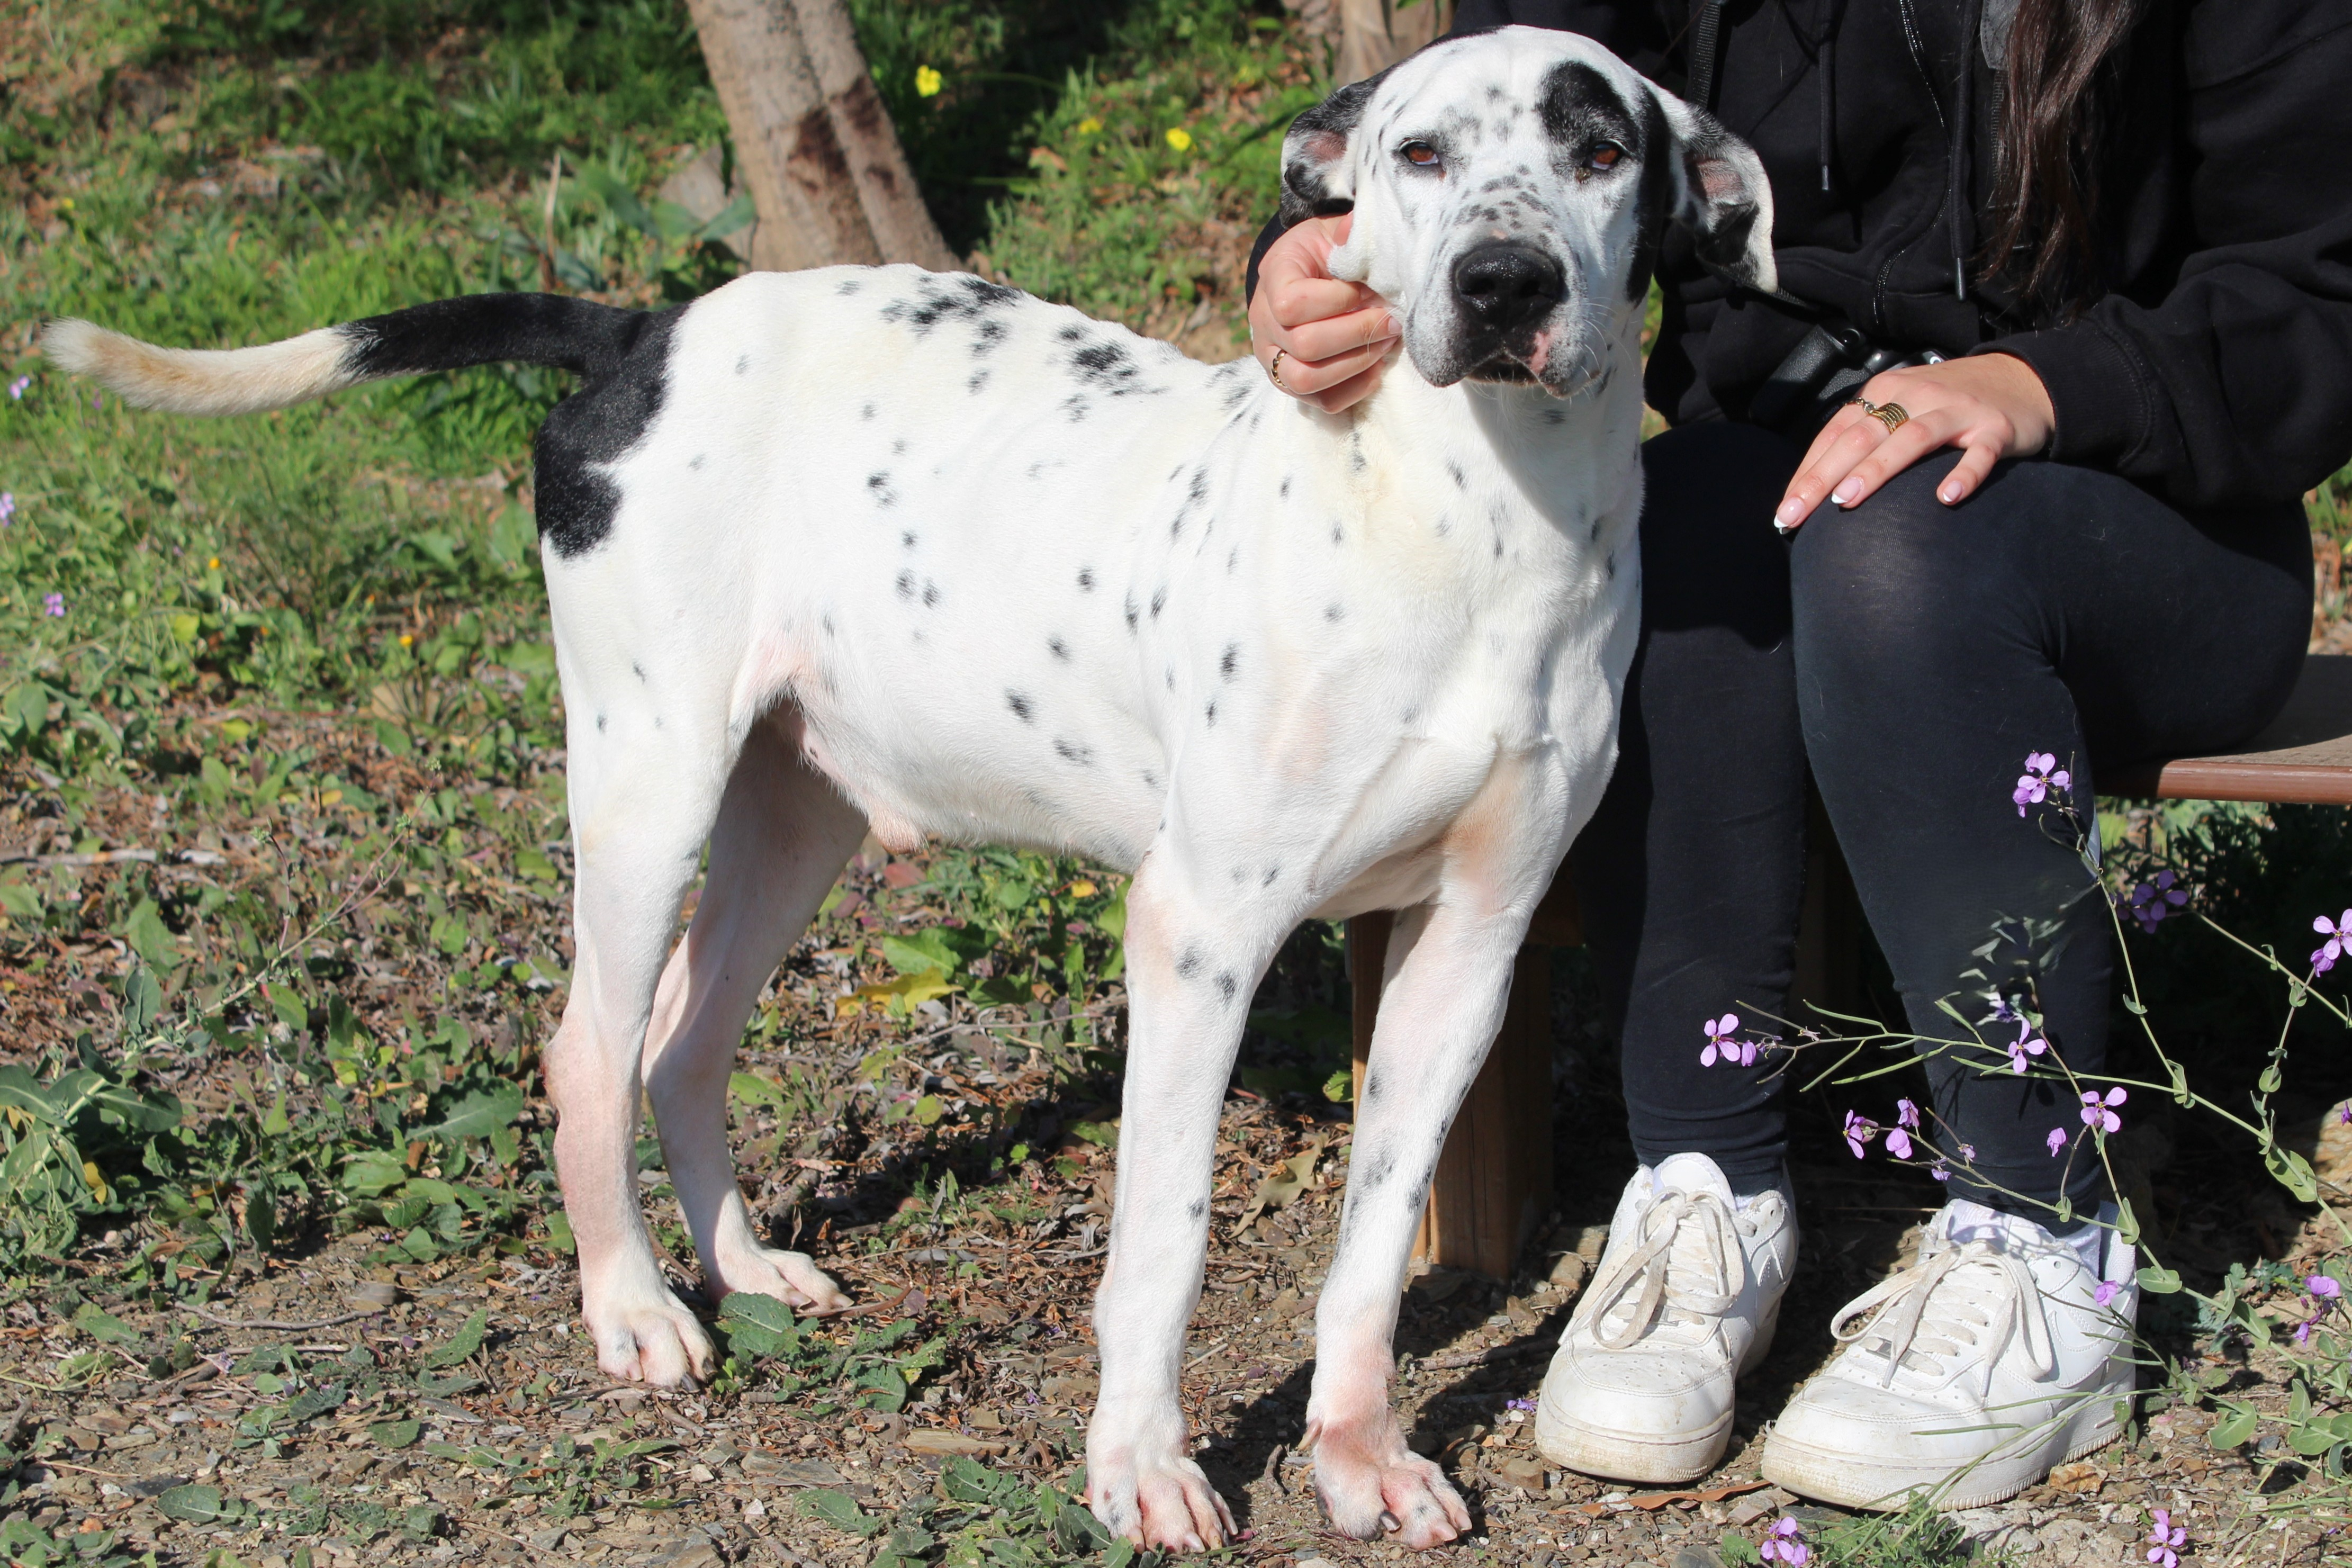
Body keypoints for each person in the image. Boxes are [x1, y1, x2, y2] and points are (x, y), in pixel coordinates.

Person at [1247, 0, 2352, 1510]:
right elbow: (1475, 104)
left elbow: (2315, 294)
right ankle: (1700, 1189)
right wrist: (1303, 259)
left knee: (1893, 540)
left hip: (2148, 498)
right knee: (1685, 515)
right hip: (1788, 459)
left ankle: (2041, 1243)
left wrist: (2033, 389)